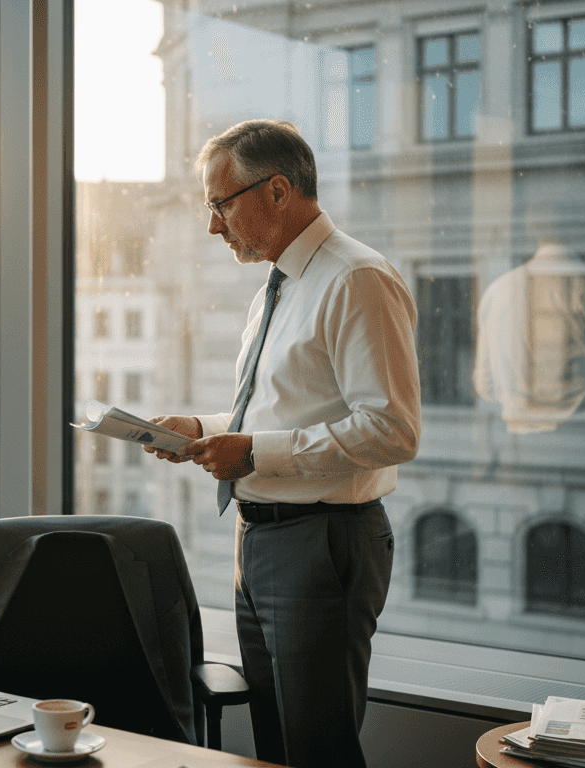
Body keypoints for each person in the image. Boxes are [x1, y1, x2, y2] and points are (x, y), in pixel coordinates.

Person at [146, 119, 420, 768]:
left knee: (314, 749)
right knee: (277, 748)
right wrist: (205, 429)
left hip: (321, 541)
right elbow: (279, 413)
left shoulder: (356, 279)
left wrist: (254, 454)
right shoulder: (281, 286)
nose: (214, 226)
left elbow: (393, 429)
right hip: (267, 538)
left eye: (221, 204)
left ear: (277, 190)